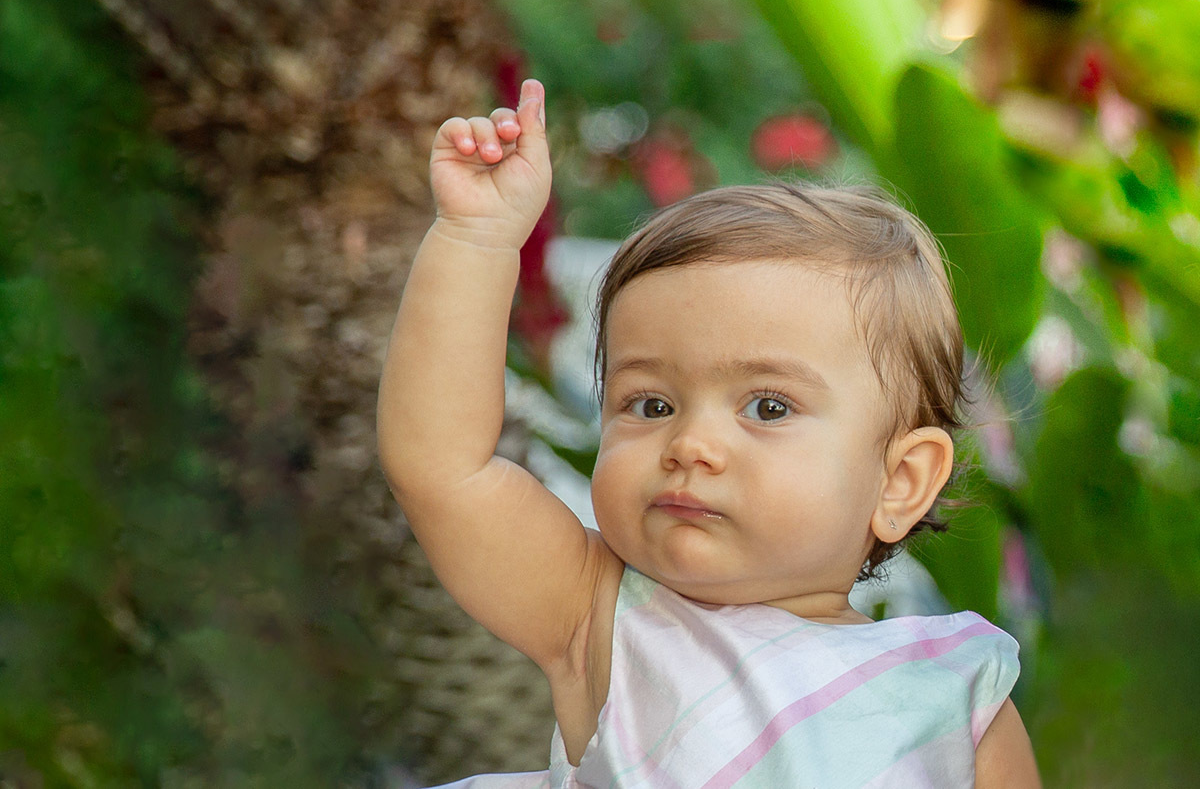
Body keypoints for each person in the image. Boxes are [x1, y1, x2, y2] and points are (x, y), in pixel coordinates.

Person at [377, 79, 1040, 788]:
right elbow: (443, 468)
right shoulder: (599, 614)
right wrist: (475, 238)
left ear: (900, 480)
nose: (690, 444)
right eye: (653, 405)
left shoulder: (958, 695)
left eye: (768, 407)